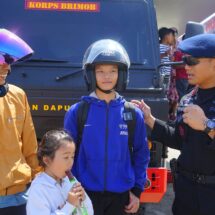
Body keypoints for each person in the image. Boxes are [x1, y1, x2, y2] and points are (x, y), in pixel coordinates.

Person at [64, 39, 150, 215]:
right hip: (85, 194)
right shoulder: (77, 112)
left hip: (121, 197)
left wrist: (136, 191)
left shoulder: (133, 114)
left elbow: (141, 154)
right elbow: (65, 156)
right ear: (90, 74)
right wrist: (70, 188)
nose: (107, 76)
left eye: (113, 71)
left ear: (121, 74)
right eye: (100, 71)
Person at [132, 34, 215, 215]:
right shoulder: (188, 98)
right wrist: (150, 120)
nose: (186, 66)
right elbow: (179, 140)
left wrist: (206, 125)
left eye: (193, 61)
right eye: (185, 60)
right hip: (186, 194)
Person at [0, 29, 40, 215]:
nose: (7, 68)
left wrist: (39, 181)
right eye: (2, 62)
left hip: (18, 196)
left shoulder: (18, 95)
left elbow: (30, 147)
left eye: (9, 63)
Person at [26, 130, 93, 215]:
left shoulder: (71, 181)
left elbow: (89, 213)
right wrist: (69, 205)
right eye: (66, 157)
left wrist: (83, 200)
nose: (71, 162)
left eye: (72, 157)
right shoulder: (38, 189)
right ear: (47, 160)